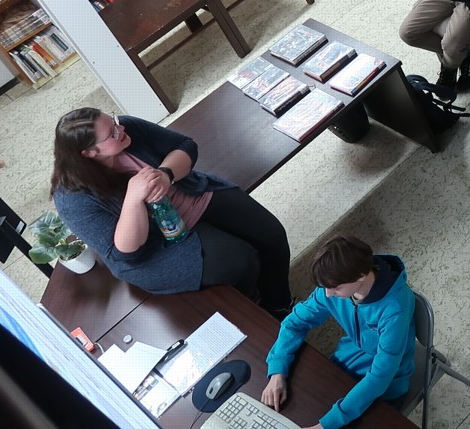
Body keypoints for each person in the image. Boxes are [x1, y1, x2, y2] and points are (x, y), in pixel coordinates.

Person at [51, 110, 291, 316]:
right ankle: (255, 311)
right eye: (111, 134)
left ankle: (279, 306)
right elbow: (123, 253)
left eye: (114, 121)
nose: (120, 128)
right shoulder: (72, 199)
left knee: (271, 234)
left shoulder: (128, 128)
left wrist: (166, 174)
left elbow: (185, 145)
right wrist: (134, 198)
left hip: (190, 195)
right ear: (90, 153)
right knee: (241, 262)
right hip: (155, 246)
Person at [262, 236, 414, 429]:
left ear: (361, 276)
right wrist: (277, 371)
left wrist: (326, 425)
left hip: (388, 384)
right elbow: (294, 323)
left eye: (335, 288)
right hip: (346, 361)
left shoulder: (395, 308)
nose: (327, 294)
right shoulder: (334, 284)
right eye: (324, 287)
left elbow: (380, 377)